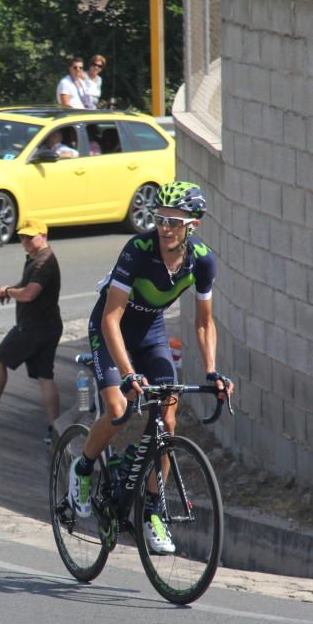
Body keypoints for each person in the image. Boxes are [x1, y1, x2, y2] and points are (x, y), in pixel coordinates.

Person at [66, 181, 233, 555]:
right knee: (118, 409)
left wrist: (211, 371)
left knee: (168, 420)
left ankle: (154, 510)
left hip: (151, 331)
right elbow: (111, 318)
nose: (165, 228)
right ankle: (83, 467)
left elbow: (204, 322)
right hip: (110, 328)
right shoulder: (138, 251)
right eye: (160, 219)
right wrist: (127, 373)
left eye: (174, 221)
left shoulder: (201, 260)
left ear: (193, 226)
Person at [0, 218, 62, 443]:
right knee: (45, 376)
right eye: (22, 236)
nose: (25, 241)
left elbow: (29, 294)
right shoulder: (37, 258)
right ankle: (55, 429)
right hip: (48, 326)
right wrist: (12, 289)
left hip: (33, 327)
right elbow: (26, 286)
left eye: (30, 236)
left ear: (43, 236)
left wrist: (8, 291)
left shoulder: (43, 262)